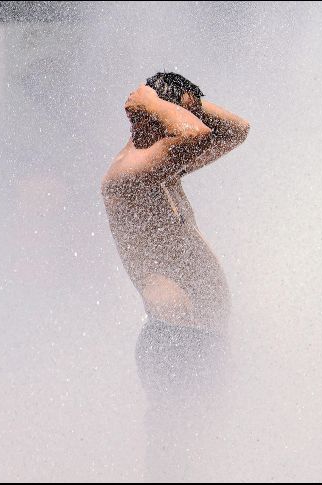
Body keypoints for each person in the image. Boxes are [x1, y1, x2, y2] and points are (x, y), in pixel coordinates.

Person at [101, 72, 249, 480]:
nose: (182, 120)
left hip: (203, 338)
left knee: (208, 456)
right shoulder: (130, 171)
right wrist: (152, 102)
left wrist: (189, 103)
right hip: (174, 340)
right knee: (175, 463)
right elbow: (198, 134)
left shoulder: (163, 169)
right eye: (174, 113)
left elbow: (238, 131)